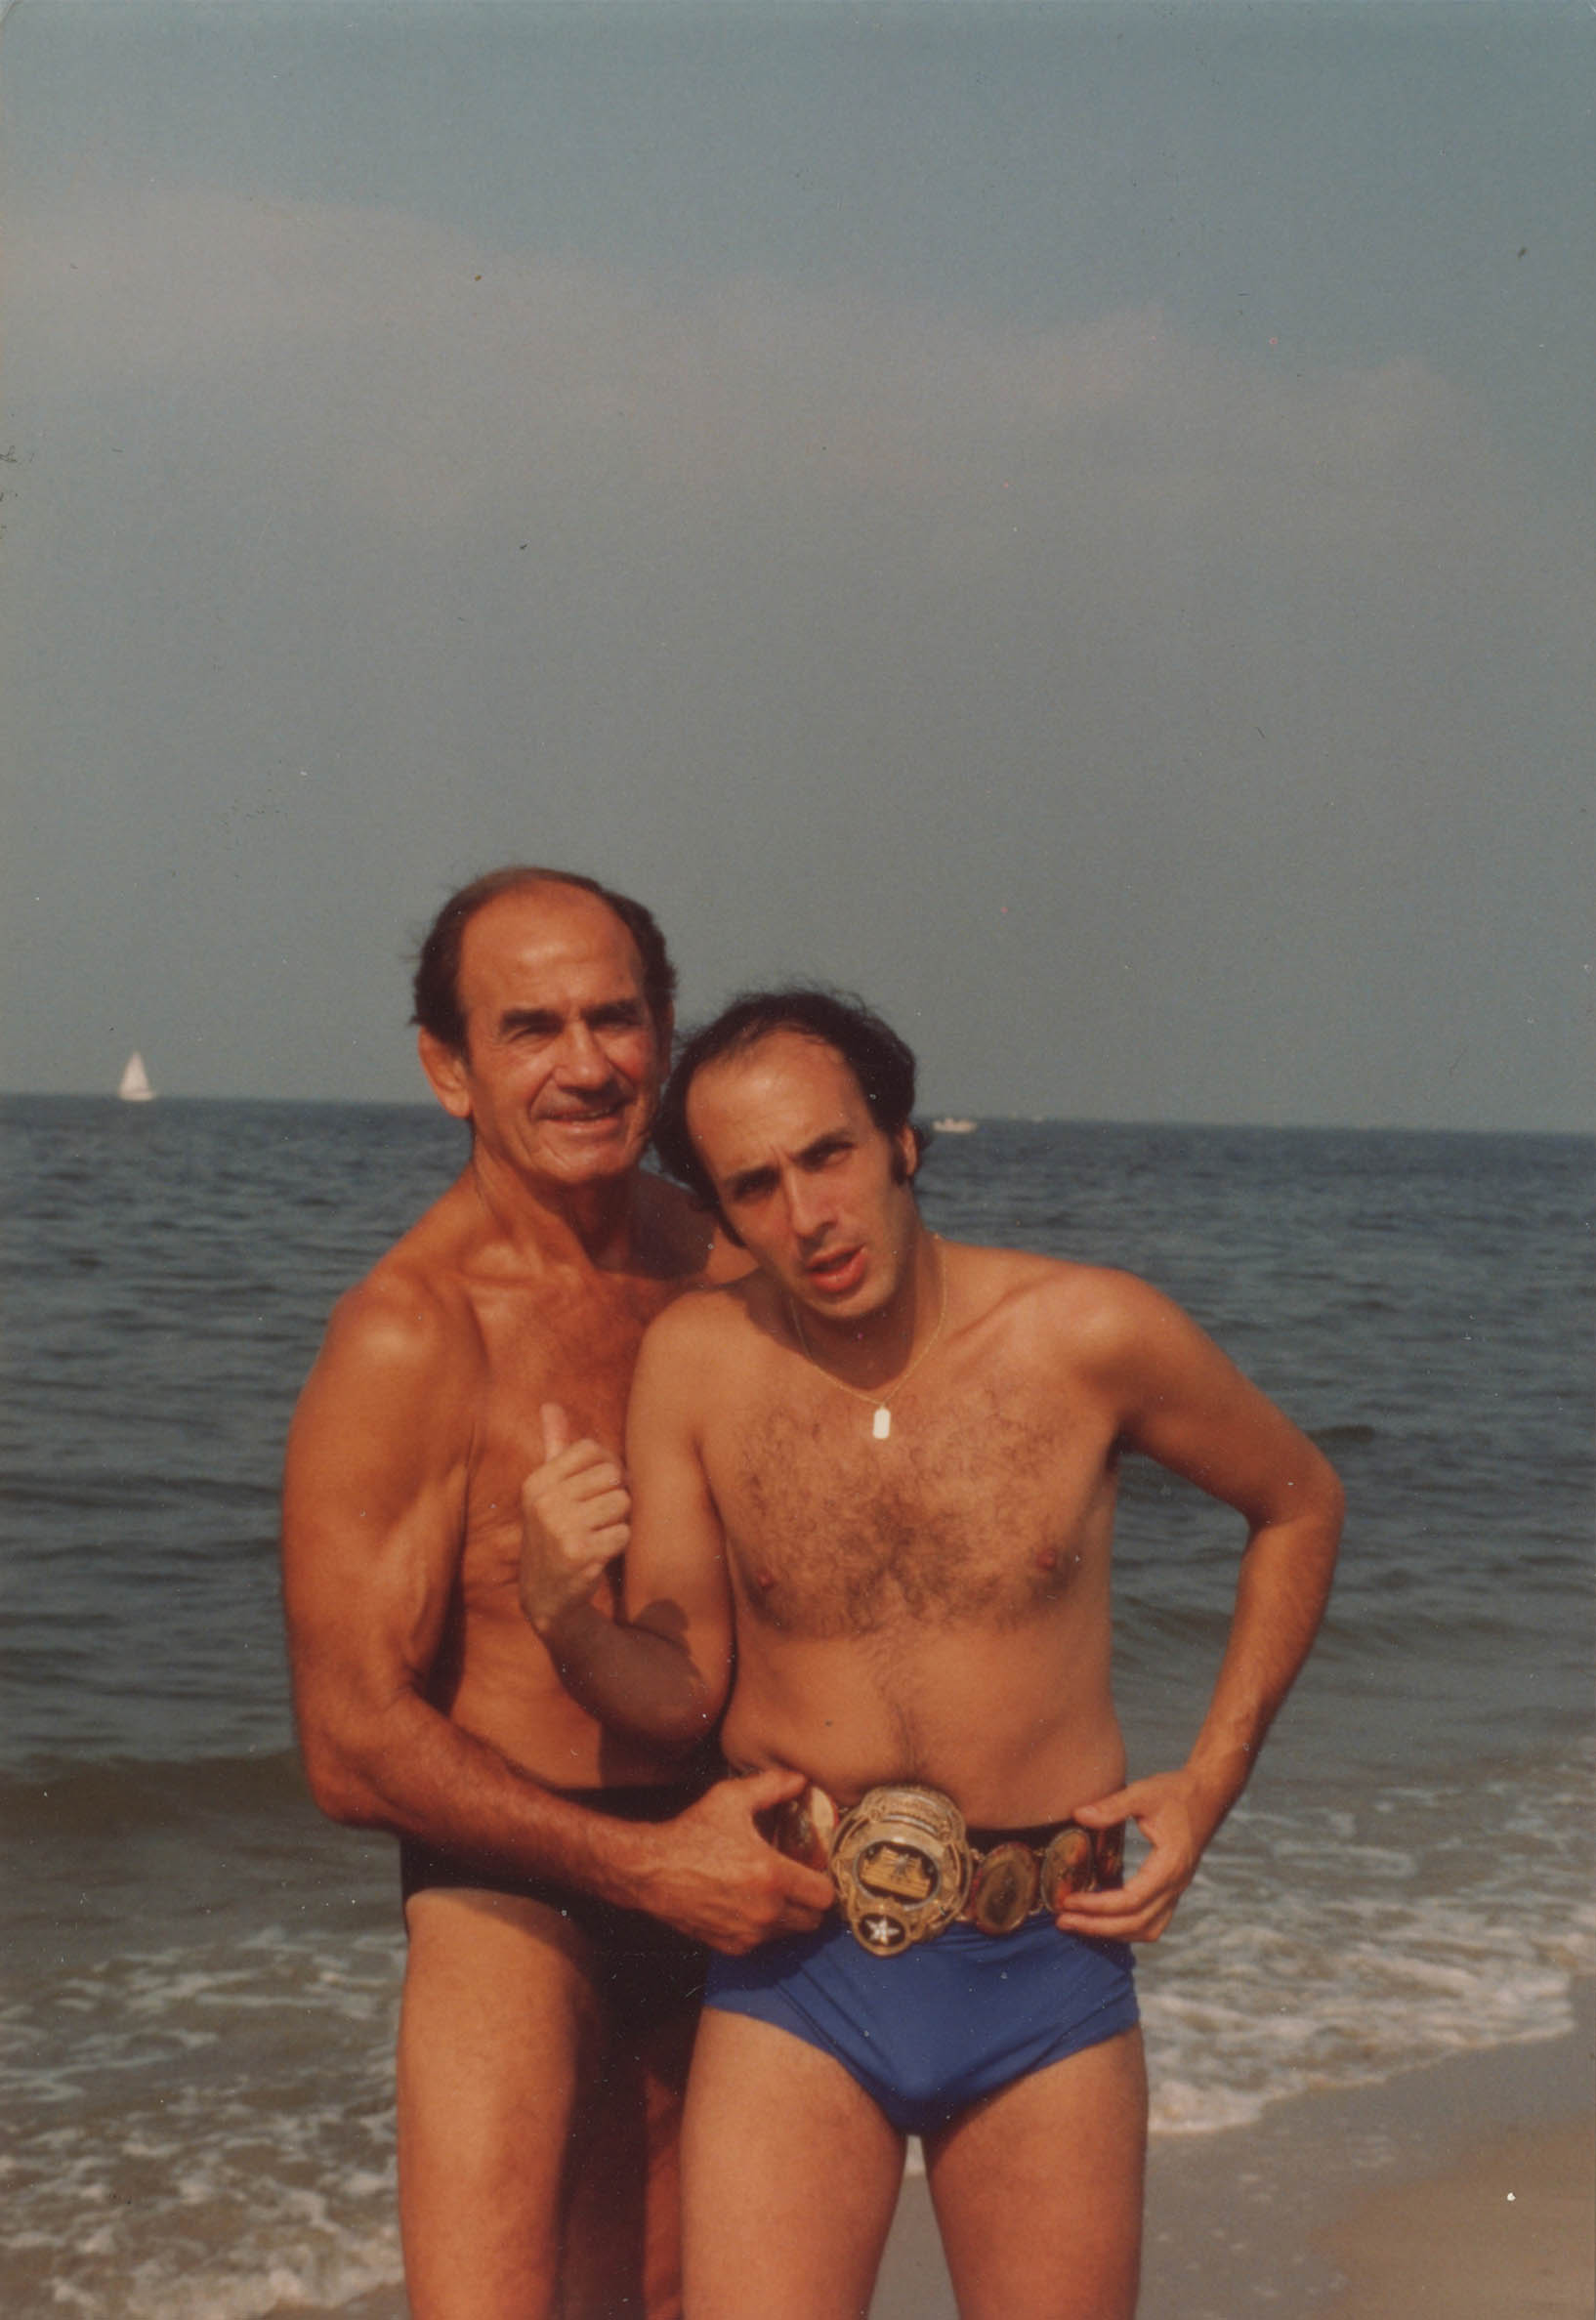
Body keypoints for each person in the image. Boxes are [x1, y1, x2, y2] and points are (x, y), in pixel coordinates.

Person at [519, 988, 1344, 2320]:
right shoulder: (698, 1364)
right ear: (722, 1213)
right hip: (797, 1968)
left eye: (828, 1155)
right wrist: (559, 1610)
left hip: (1044, 1965)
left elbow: (1298, 1501)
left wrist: (1210, 1780)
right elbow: (675, 1697)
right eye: (755, 1186)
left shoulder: (1090, 1333)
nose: (807, 1215)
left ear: (899, 1139)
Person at [280, 877, 833, 2320]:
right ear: (446, 1069)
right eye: (529, 1028)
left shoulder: (735, 1270)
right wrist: (644, 1873)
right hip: (513, 1898)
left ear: (662, 1033)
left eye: (614, 1018)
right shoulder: (413, 1333)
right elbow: (348, 1744)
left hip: (741, 1877)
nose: (583, 1065)